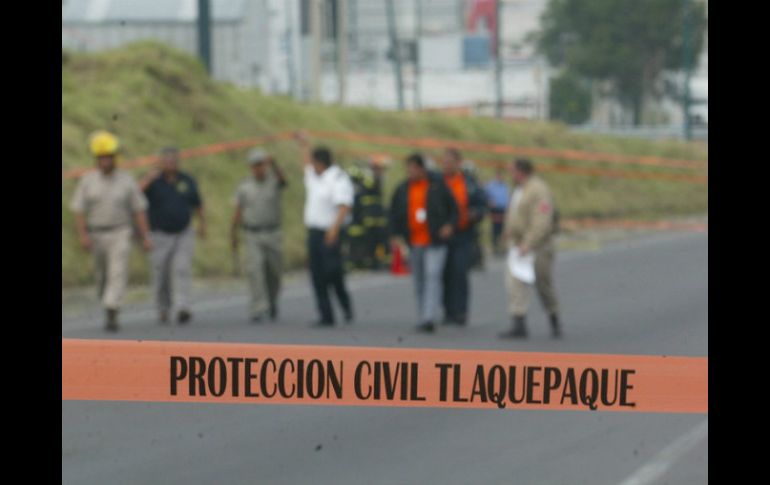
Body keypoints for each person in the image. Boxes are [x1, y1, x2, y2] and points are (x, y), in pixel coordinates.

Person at [69, 130, 152, 332]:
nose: (105, 161)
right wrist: (83, 235)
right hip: (97, 233)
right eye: (101, 158)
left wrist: (146, 236)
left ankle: (112, 307)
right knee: (103, 277)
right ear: (97, 160)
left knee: (118, 271)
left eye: (108, 158)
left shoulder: (126, 181)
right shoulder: (88, 181)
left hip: (120, 232)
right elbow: (79, 210)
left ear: (114, 158)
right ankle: (108, 303)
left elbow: (138, 209)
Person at [389, 153, 457, 333]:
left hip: (435, 241)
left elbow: (453, 209)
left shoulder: (437, 185)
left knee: (432, 275)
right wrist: (395, 235)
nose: (410, 172)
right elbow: (394, 213)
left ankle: (429, 316)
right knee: (419, 279)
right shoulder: (403, 189)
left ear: (422, 169)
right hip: (414, 242)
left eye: (413, 168)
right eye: (408, 168)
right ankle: (423, 315)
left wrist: (449, 225)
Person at [139, 147, 205, 325]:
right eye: (167, 161)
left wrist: (202, 224)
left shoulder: (186, 180)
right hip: (160, 234)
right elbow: (135, 197)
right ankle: (162, 307)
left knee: (181, 268)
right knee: (161, 275)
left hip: (183, 232)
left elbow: (198, 203)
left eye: (174, 161)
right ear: (161, 162)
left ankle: (183, 306)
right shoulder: (154, 182)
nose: (171, 164)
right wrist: (148, 178)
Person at [296, 132, 355, 326]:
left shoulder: (337, 178)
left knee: (333, 272)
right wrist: (304, 144)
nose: (311, 165)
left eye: (313, 162)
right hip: (314, 232)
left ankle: (345, 305)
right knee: (317, 275)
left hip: (331, 232)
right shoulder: (314, 176)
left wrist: (334, 229)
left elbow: (344, 206)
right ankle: (326, 314)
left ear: (320, 163)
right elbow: (304, 163)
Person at [499, 158, 562, 339]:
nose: (511, 174)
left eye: (513, 170)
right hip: (518, 245)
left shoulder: (538, 190)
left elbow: (542, 219)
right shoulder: (518, 189)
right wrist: (507, 233)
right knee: (514, 284)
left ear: (521, 171)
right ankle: (518, 322)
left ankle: (554, 317)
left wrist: (529, 242)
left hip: (538, 246)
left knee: (543, 284)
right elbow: (513, 214)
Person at [230, 148, 287, 322]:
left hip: (273, 232)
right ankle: (258, 307)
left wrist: (275, 164)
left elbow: (284, 181)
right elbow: (238, 212)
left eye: (261, 164)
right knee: (255, 271)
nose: (258, 169)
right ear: (250, 167)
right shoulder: (244, 186)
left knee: (274, 272)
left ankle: (272, 301)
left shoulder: (273, 181)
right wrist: (233, 233)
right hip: (252, 233)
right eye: (255, 165)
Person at [440, 147, 487, 325]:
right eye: (444, 162)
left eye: (450, 162)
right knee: (444, 274)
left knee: (459, 272)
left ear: (458, 163)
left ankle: (461, 311)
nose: (446, 165)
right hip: (443, 236)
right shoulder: (438, 182)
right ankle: (447, 310)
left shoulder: (469, 183)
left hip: (463, 235)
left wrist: (475, 214)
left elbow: (482, 205)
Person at [484, 165, 511, 256]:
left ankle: (501, 247)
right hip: (495, 210)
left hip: (503, 210)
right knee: (495, 229)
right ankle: (494, 247)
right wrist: (489, 202)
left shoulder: (505, 186)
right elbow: (484, 196)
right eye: (498, 175)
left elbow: (508, 198)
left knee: (502, 229)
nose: (500, 177)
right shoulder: (490, 186)